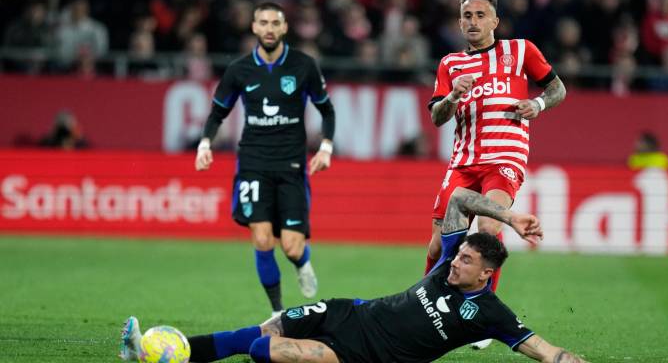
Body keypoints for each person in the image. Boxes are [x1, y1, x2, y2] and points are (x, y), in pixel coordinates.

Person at [119, 187, 588, 363]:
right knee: (261, 331)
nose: (454, 260)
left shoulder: (488, 313)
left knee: (265, 351)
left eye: (465, 259)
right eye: (458, 252)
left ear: (486, 274)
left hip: (362, 354)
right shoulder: (448, 265)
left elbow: (546, 353)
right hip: (350, 312)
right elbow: (461, 198)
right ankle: (152, 353)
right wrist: (507, 218)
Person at [425, 0, 567, 348]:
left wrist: (538, 104)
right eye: (467, 16)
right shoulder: (450, 64)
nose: (473, 22)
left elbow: (557, 89)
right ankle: (429, 308)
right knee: (436, 246)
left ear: (495, 20)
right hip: (462, 163)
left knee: (488, 227)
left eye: (480, 15)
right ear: (459, 22)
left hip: (504, 160)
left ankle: (481, 314)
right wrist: (454, 95)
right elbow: (438, 117)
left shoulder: (520, 51)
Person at [195, 1, 336, 316]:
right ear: (254, 27)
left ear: (285, 28)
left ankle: (302, 262)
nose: (269, 29)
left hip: (291, 165)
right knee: (261, 239)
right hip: (253, 164)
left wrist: (325, 147)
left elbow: (326, 109)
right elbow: (218, 111)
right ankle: (276, 311)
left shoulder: (303, 65)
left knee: (291, 246)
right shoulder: (239, 70)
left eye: (275, 23)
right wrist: (206, 142)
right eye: (263, 23)